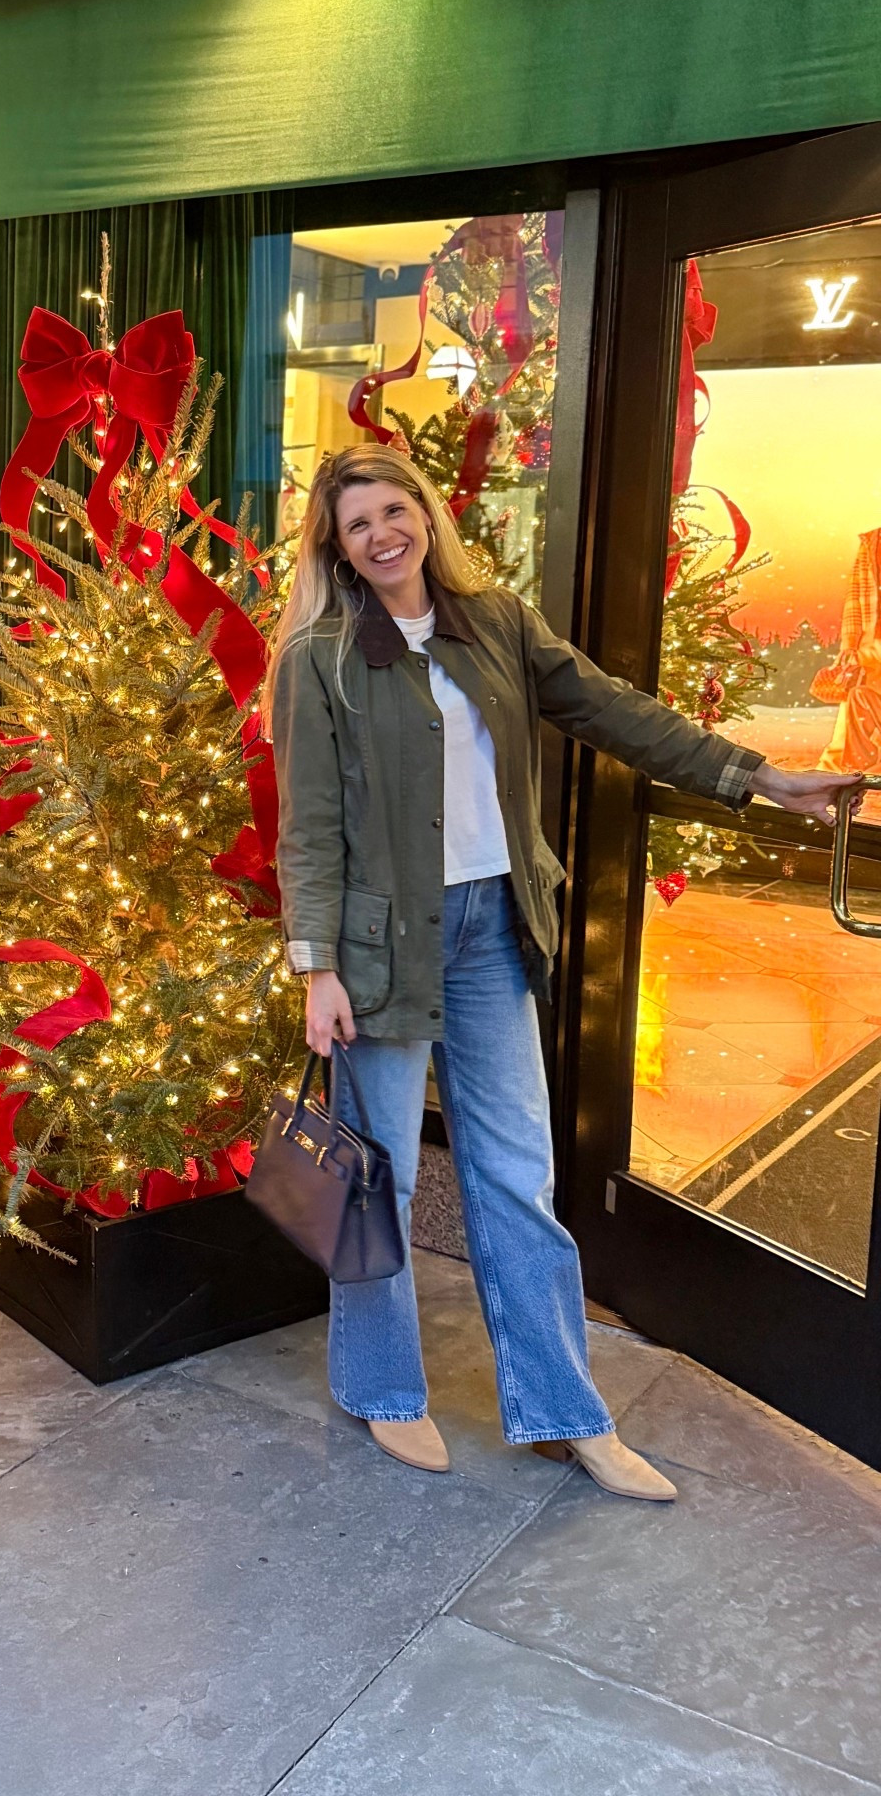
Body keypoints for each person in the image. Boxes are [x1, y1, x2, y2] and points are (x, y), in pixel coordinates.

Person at [264, 444, 860, 1501]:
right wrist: (316, 967)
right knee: (383, 1180)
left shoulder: (494, 622)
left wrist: (763, 777)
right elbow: (309, 826)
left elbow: (616, 709)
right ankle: (382, 1385)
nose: (382, 534)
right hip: (377, 949)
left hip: (497, 930)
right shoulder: (318, 656)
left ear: (426, 514)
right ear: (338, 546)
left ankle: (562, 1412)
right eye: (358, 524)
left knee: (515, 1176)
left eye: (394, 510)